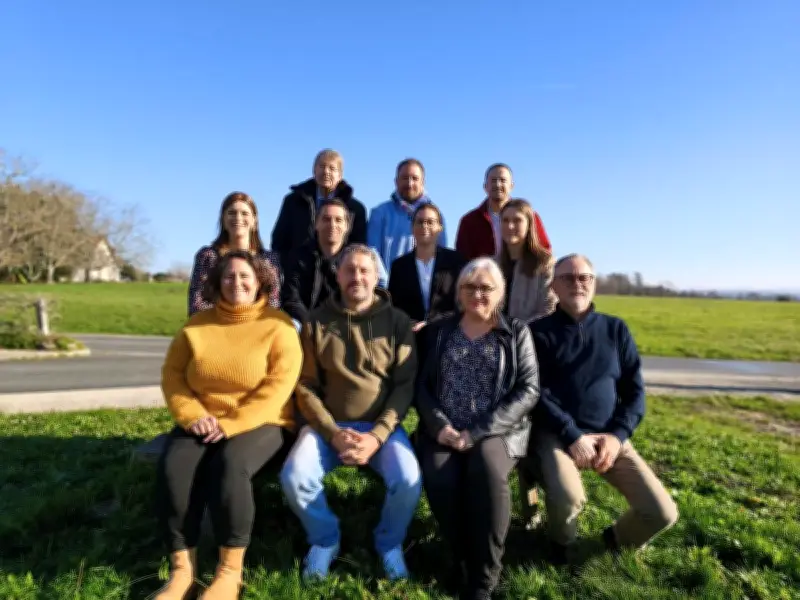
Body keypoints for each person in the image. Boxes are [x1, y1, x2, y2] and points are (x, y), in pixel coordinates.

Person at [156, 250, 302, 600]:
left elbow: (279, 387)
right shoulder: (196, 326)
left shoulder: (279, 325)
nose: (237, 282)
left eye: (245, 276)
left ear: (260, 282)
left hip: (263, 420)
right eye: (229, 276)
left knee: (230, 466)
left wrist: (232, 423)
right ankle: (182, 572)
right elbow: (173, 376)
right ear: (217, 283)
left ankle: (229, 572)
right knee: (174, 467)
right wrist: (192, 415)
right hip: (203, 419)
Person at [280, 244, 421, 581]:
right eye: (350, 270)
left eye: (364, 270)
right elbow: (305, 385)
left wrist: (377, 435)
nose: (357, 276)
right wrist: (332, 433)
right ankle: (325, 539)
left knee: (408, 480)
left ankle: (389, 543)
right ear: (338, 275)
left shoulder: (398, 322)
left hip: (380, 429)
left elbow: (404, 386)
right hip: (328, 428)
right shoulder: (316, 321)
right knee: (294, 477)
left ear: (375, 276)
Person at [528, 253, 679, 563]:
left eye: (584, 277)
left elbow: (635, 392)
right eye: (568, 278)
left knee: (662, 512)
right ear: (554, 286)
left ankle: (615, 539)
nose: (577, 284)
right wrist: (572, 435)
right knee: (569, 498)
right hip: (556, 435)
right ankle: (561, 548)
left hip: (609, 435)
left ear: (594, 283)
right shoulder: (536, 333)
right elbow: (534, 393)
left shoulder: (616, 330)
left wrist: (617, 436)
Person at [415, 257, 540, 600]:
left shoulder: (516, 332)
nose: (477, 294)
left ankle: (485, 574)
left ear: (501, 293)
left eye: (486, 288)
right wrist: (440, 426)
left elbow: (529, 389)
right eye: (469, 287)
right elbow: (422, 387)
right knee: (439, 474)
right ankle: (462, 557)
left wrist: (478, 432)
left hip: (498, 431)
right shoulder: (439, 331)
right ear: (459, 292)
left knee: (485, 467)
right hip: (445, 429)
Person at [496, 198, 556, 527]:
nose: (510, 226)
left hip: (530, 358)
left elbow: (548, 311)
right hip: (497, 361)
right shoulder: (496, 263)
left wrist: (513, 333)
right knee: (505, 433)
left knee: (529, 438)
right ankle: (501, 504)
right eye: (505, 220)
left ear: (529, 224)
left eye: (517, 220)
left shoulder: (544, 264)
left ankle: (533, 509)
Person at [387, 203, 464, 367]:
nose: (425, 226)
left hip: (447, 340)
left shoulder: (456, 262)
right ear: (412, 227)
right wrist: (410, 323)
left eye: (430, 222)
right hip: (410, 343)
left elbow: (462, 304)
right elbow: (394, 306)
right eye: (420, 222)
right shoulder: (399, 266)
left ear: (440, 227)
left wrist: (432, 322)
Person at [188, 192, 281, 316]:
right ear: (223, 219)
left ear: (254, 221)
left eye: (244, 213)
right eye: (232, 213)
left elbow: (274, 302)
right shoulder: (208, 256)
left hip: (257, 324)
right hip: (216, 323)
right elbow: (196, 304)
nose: (238, 218)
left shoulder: (268, 260)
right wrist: (231, 316)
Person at [270, 148, 367, 256]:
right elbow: (279, 240)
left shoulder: (355, 209)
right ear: (314, 171)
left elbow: (358, 247)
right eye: (322, 166)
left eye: (332, 168)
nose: (326, 172)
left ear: (340, 175)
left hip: (338, 265)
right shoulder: (293, 201)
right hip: (298, 264)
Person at [455, 164, 550, 262]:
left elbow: (544, 250)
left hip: (525, 270)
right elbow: (462, 259)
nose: (498, 184)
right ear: (485, 186)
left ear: (511, 186)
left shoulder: (529, 216)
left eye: (503, 180)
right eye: (493, 180)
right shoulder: (469, 221)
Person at [281, 199, 350, 330]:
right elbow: (291, 298)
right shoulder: (298, 257)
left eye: (338, 220)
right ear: (316, 223)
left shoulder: (353, 260)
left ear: (347, 226)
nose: (332, 224)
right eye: (326, 219)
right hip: (305, 324)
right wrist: (311, 323)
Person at [367, 158, 448, 269]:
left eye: (415, 178)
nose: (409, 183)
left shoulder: (437, 216)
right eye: (405, 178)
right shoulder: (380, 213)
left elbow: (442, 255)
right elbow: (372, 254)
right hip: (389, 279)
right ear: (396, 181)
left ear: (423, 182)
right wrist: (386, 280)